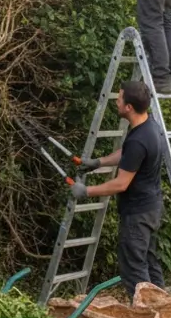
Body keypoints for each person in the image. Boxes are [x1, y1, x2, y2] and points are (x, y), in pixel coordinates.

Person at [70, 80, 165, 298]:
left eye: (120, 98)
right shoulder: (149, 126)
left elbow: (121, 183)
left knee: (135, 271)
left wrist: (86, 191)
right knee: (150, 264)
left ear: (129, 107)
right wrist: (98, 162)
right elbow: (128, 154)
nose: (116, 100)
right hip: (151, 209)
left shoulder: (140, 139)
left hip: (138, 216)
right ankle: (163, 315)